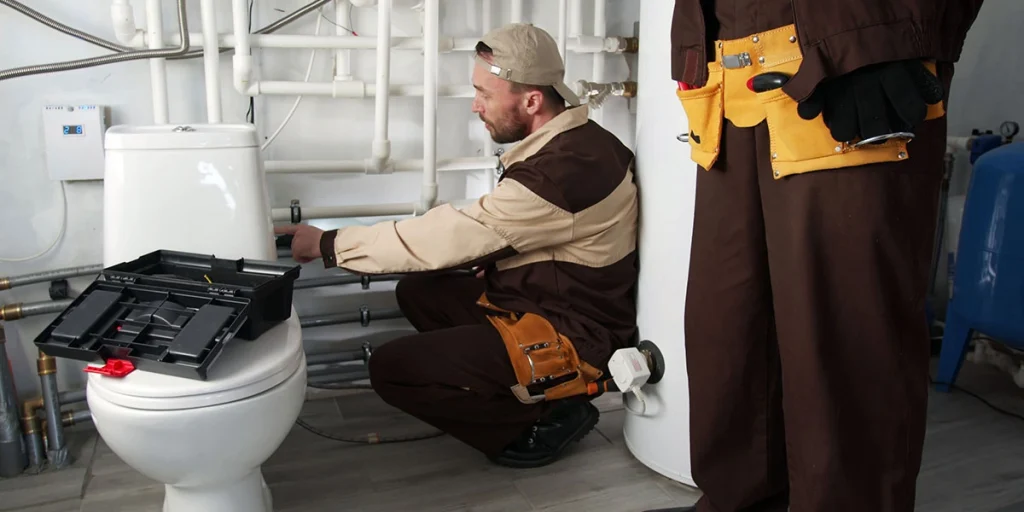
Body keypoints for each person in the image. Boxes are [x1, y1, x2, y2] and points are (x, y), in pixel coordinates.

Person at [646, 1, 985, 512]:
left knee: (841, 344)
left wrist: (874, 36)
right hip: (725, 74)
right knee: (730, 338)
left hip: (844, 60)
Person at [277, 23, 639, 469]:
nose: (475, 105)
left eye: (485, 94)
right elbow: (544, 235)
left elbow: (447, 236)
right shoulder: (579, 142)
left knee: (392, 369)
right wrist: (496, 257)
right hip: (544, 304)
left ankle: (537, 424)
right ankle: (525, 395)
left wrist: (329, 244)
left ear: (532, 101)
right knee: (420, 291)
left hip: (573, 337)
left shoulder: (561, 172)